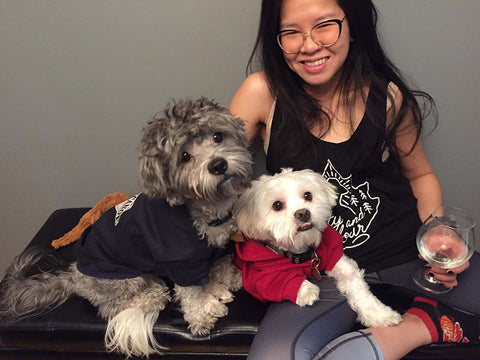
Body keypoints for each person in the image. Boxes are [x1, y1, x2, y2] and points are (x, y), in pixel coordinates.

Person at [229, 0, 480, 359]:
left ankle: (419, 326)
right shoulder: (261, 92)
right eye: (291, 32)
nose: (309, 45)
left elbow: (421, 175)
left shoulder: (388, 97)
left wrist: (438, 233)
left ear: (353, 24)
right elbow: (210, 172)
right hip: (319, 271)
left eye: (325, 25)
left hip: (403, 255)